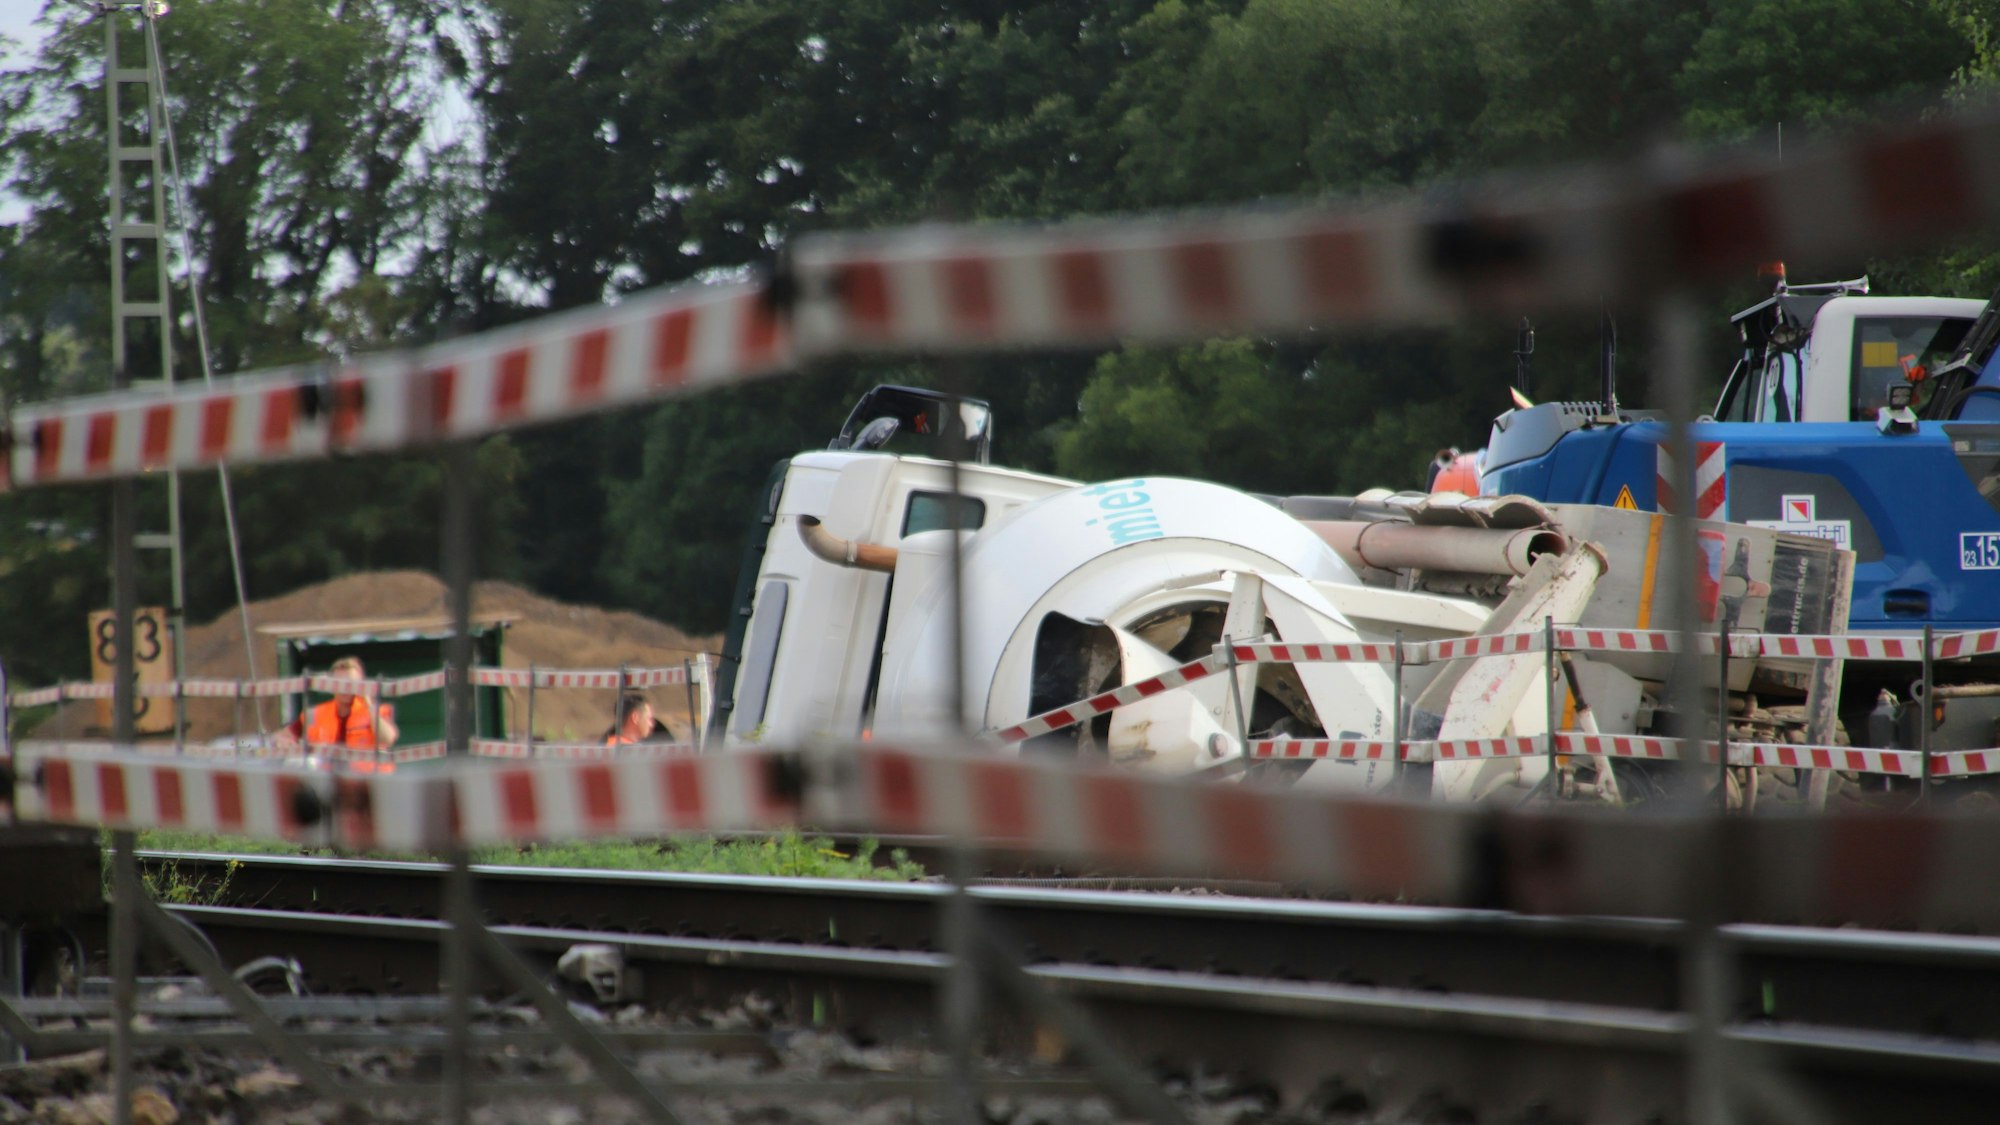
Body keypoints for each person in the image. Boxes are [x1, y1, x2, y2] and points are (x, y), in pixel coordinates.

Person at [277, 655, 398, 755]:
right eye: (339, 683)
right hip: (326, 781)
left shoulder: (375, 711)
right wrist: (284, 741)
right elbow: (283, 736)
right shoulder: (315, 714)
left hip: (365, 780)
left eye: (351, 683)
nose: (345, 689)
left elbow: (387, 739)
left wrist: (369, 704)